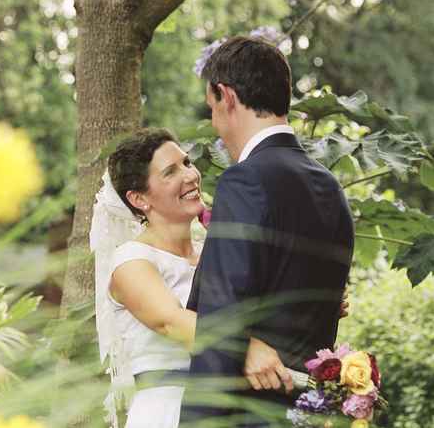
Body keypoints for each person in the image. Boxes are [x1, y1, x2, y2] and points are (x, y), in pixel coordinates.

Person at [180, 36, 355, 426]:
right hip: (308, 412)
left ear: (225, 96)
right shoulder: (330, 187)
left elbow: (222, 317)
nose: (214, 124)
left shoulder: (245, 180)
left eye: (211, 108)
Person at [93, 128, 292, 428]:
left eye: (187, 163)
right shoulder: (131, 262)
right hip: (168, 411)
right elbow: (170, 321)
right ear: (138, 198)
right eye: (170, 172)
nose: (190, 176)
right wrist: (244, 348)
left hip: (232, 410)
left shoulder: (213, 252)